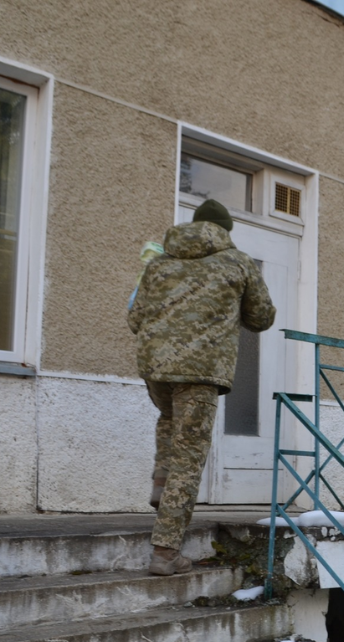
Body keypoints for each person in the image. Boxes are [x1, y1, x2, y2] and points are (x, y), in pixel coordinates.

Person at [128, 199, 275, 576]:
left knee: (168, 417)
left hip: (155, 365)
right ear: (225, 230)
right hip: (202, 370)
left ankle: (161, 481)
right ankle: (165, 552)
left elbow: (134, 317)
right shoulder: (237, 261)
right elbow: (261, 317)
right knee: (189, 459)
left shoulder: (159, 261)